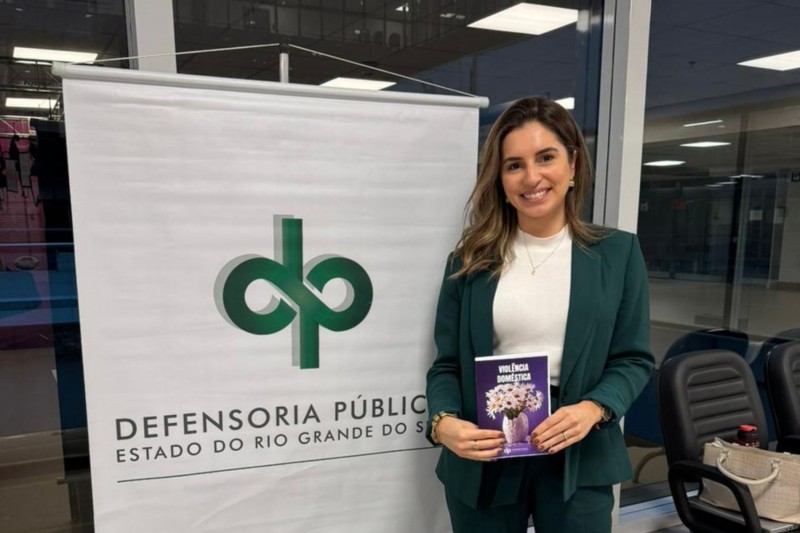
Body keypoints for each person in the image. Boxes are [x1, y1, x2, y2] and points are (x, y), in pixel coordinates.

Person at [425, 97, 654, 533]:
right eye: (514, 165)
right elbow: (447, 365)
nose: (531, 177)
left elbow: (633, 359)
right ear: (500, 178)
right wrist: (443, 423)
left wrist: (594, 408)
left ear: (572, 164)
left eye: (545, 158)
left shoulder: (617, 254)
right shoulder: (468, 262)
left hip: (578, 452)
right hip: (488, 452)